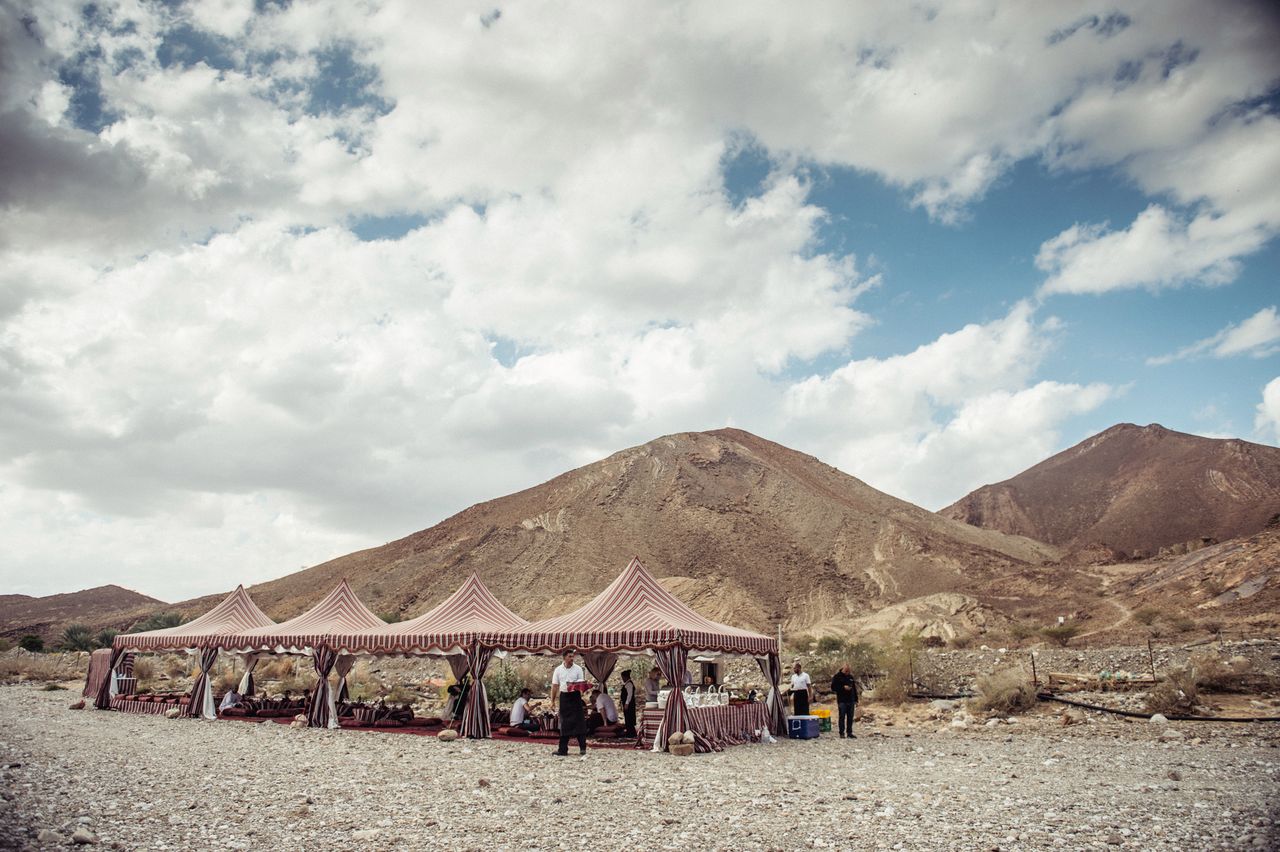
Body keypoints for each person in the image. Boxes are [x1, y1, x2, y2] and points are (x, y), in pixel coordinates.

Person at [550, 651, 588, 756]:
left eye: (573, 656)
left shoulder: (578, 669)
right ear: (564, 658)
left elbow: (581, 684)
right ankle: (562, 750)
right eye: (570, 656)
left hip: (575, 697)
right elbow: (554, 686)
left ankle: (583, 748)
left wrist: (578, 687)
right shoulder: (558, 670)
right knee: (564, 723)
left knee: (579, 722)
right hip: (564, 697)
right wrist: (552, 701)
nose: (572, 658)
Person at [831, 663, 859, 739]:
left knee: (850, 717)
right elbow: (833, 688)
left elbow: (854, 689)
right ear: (843, 669)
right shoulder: (837, 677)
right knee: (842, 717)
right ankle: (841, 733)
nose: (847, 672)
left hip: (851, 700)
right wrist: (843, 687)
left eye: (849, 671)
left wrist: (856, 699)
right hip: (842, 700)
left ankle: (849, 732)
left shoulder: (850, 677)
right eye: (846, 671)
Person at [619, 670, 638, 737]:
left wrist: (626, 703)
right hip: (627, 703)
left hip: (629, 704)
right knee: (627, 718)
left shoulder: (629, 684)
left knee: (629, 718)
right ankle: (630, 732)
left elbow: (629, 694)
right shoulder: (627, 684)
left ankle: (631, 733)